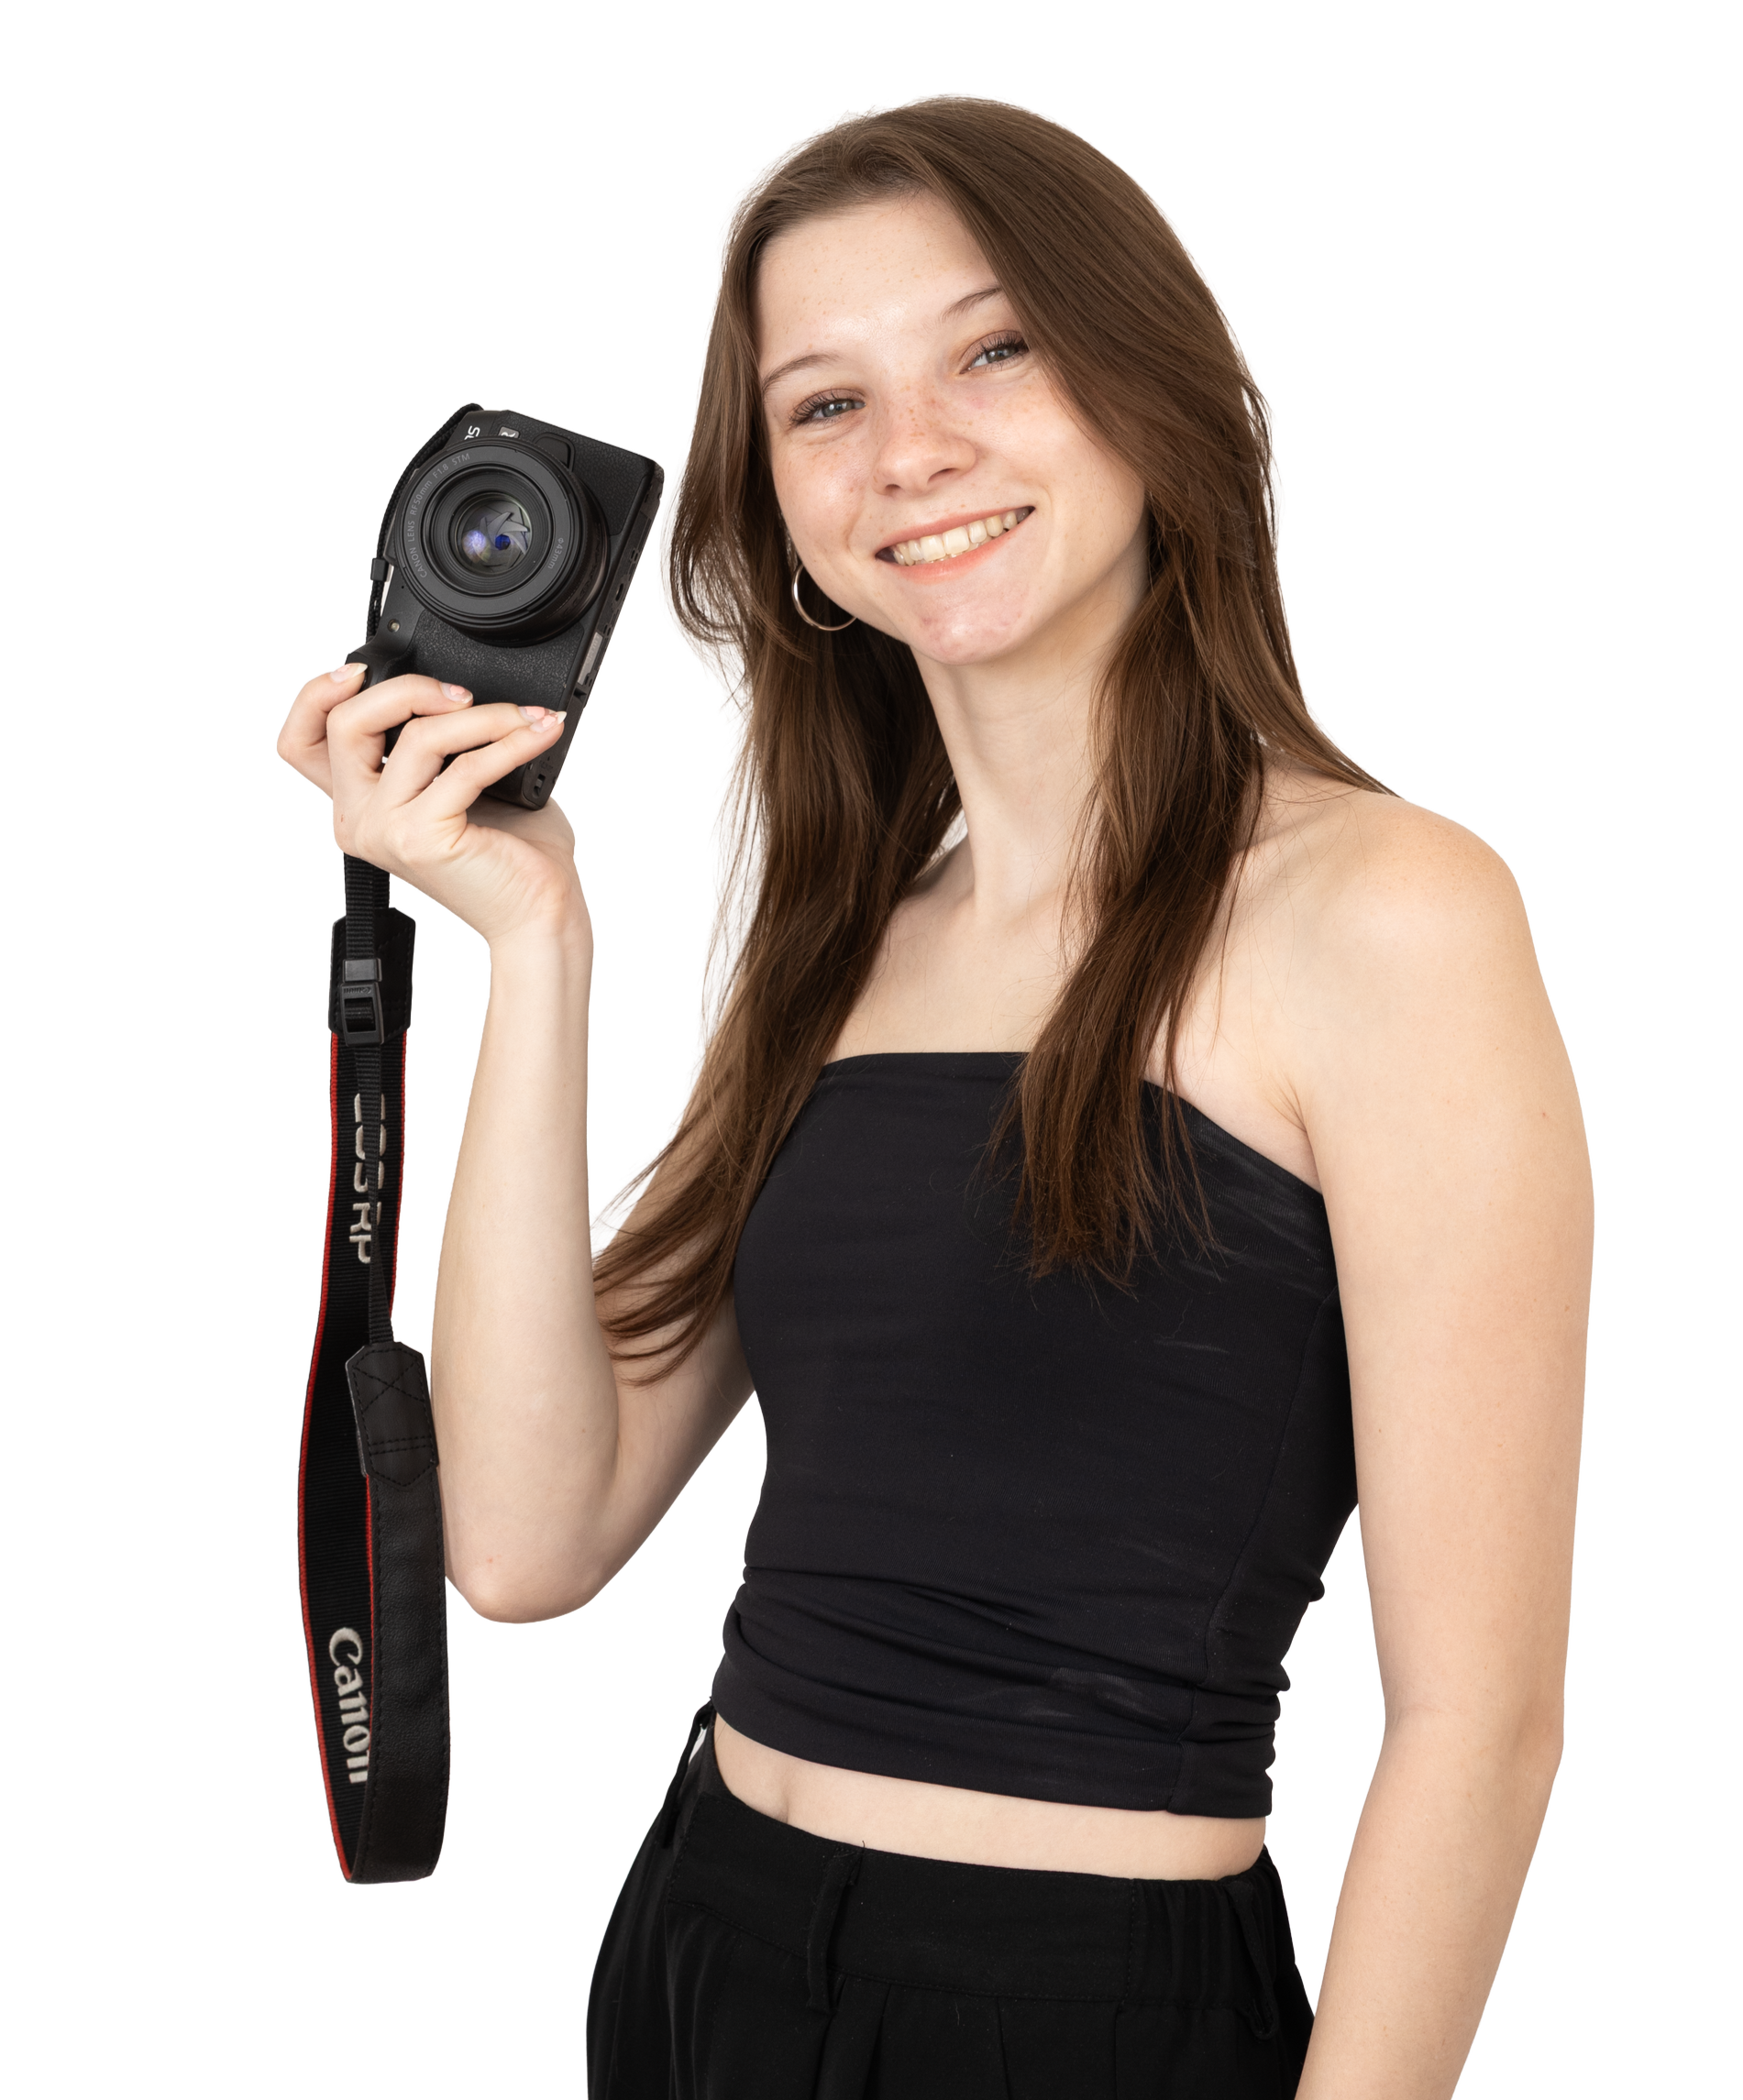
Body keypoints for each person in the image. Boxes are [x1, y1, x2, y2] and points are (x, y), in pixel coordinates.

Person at [275, 92, 1593, 2100]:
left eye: (994, 348)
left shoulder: (1391, 913)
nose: (914, 452)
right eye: (823, 403)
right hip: (702, 1941)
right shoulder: (839, 931)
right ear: (778, 509)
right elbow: (530, 1533)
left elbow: (1480, 1722)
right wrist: (531, 948)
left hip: (1077, 2007)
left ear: (1153, 390)